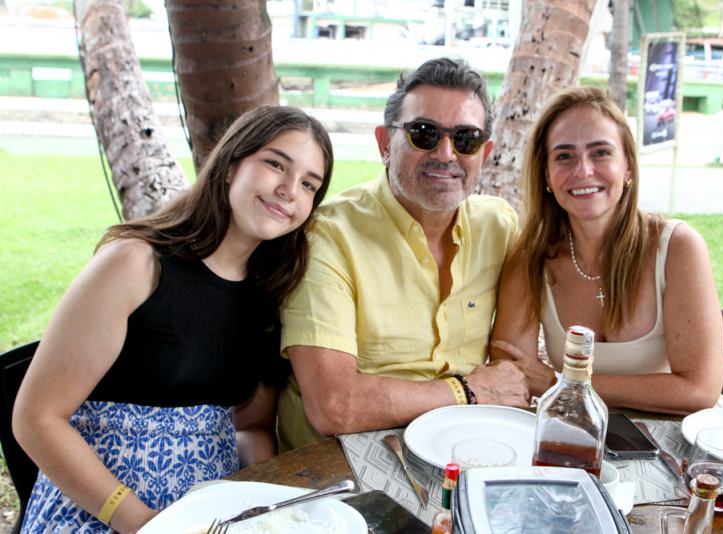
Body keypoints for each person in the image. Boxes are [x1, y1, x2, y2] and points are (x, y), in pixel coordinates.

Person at [12, 106, 333, 534]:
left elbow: (251, 426)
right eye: (275, 164)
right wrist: (144, 523)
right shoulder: (135, 263)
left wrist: (262, 511)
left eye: (309, 184)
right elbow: (36, 418)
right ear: (230, 165)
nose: (289, 190)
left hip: (211, 515)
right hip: (101, 510)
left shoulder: (268, 296)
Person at [277, 57, 530, 452]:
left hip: (463, 450)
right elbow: (334, 406)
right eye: (424, 133)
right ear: (384, 144)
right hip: (343, 464)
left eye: (466, 139)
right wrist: (467, 391)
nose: (446, 153)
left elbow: (512, 372)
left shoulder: (499, 226)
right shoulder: (327, 235)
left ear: (485, 152)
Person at [490, 85, 723, 416]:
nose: (583, 171)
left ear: (628, 166)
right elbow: (511, 375)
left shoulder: (677, 246)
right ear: (546, 174)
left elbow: (700, 390)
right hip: (581, 434)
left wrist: (561, 383)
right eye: (564, 156)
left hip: (676, 437)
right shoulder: (532, 259)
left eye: (600, 152)